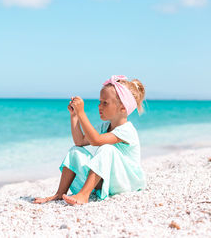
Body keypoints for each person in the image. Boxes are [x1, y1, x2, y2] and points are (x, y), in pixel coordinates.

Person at [33, 75, 146, 205]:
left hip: (126, 182)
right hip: (109, 181)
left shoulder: (127, 130)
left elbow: (96, 140)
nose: (99, 106)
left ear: (123, 108)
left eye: (105, 103)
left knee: (106, 149)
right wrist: (75, 116)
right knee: (75, 151)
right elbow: (80, 141)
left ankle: (84, 195)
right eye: (99, 102)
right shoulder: (104, 127)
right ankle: (59, 194)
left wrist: (82, 113)